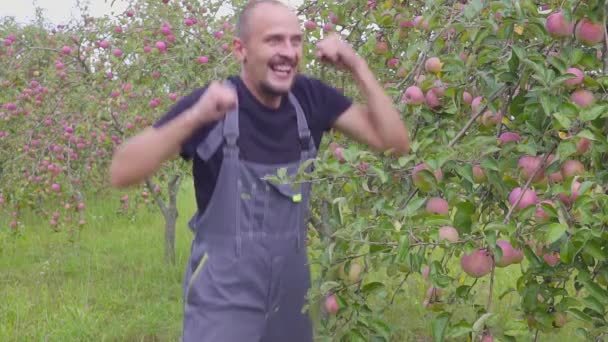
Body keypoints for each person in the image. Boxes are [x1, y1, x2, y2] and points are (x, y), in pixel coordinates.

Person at [109, 0, 410, 340]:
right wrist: (195, 117)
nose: (288, 51)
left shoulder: (311, 99)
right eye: (274, 40)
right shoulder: (214, 103)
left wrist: (358, 66)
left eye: (296, 41)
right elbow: (122, 170)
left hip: (292, 292)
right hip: (224, 294)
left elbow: (395, 144)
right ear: (241, 49)